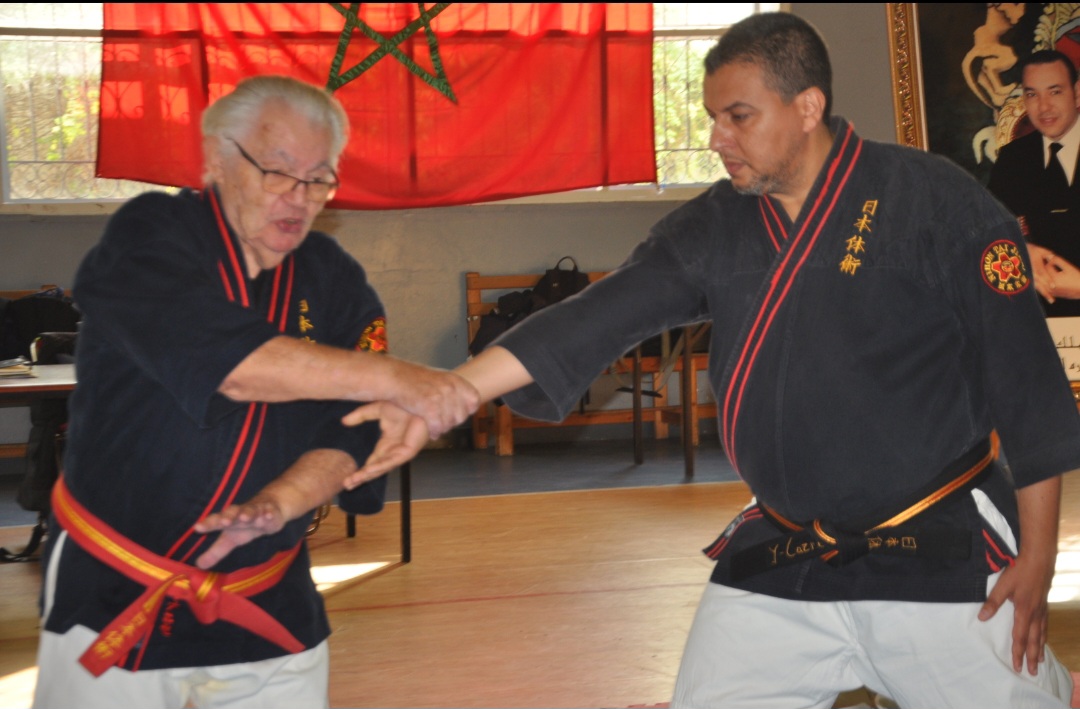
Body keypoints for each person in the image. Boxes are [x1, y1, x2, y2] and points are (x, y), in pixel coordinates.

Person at [348, 12, 1080, 708]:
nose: (717, 137)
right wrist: (451, 390)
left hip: (935, 553)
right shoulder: (716, 224)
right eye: (712, 117)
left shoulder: (936, 201)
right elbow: (600, 315)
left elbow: (1026, 386)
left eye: (739, 116)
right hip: (785, 556)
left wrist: (1039, 557)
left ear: (807, 105)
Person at [31, 75, 478, 709]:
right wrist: (401, 376)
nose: (298, 197)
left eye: (319, 178)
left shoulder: (333, 278)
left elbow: (353, 426)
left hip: (266, 593)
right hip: (118, 585)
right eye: (277, 171)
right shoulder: (149, 237)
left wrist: (281, 501)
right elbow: (233, 364)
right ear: (215, 158)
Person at [989, 49, 1080, 316]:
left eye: (1055, 92)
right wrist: (1019, 251)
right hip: (1037, 322)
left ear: (1076, 92)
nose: (1043, 107)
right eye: (1032, 94)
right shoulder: (1012, 160)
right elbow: (987, 236)